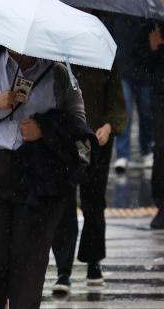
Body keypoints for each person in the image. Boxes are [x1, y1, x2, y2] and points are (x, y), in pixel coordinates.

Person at [0, 42, 86, 309]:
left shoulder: (59, 75)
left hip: (39, 180)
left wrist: (45, 129)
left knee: (29, 267)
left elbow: (79, 124)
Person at [51, 64, 126, 293]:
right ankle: (63, 270)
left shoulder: (103, 58)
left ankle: (94, 261)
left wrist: (109, 125)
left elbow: (116, 101)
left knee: (93, 202)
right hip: (63, 139)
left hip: (96, 140)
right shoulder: (53, 60)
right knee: (63, 204)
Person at [113, 24, 154, 172]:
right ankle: (123, 153)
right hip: (124, 70)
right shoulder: (117, 12)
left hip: (145, 72)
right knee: (126, 112)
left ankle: (147, 149)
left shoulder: (147, 16)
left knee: (146, 113)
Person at [148, 24, 164, 228]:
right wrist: (154, 49)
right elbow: (147, 74)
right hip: (161, 101)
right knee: (160, 151)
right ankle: (161, 204)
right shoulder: (154, 26)